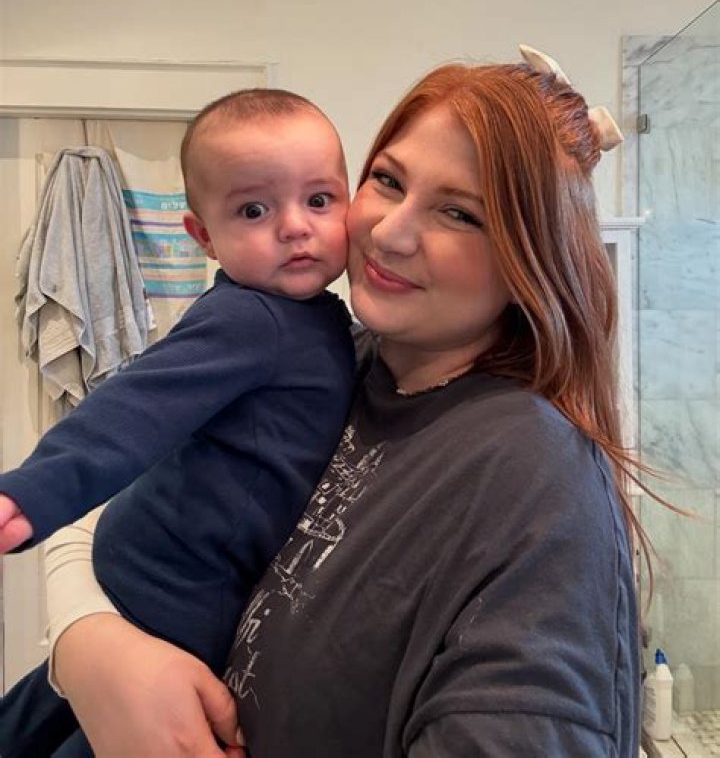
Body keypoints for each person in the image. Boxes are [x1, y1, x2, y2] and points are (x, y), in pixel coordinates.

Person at [43, 46, 642, 757]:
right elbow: (105, 512)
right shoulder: (329, 358)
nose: (389, 232)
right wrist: (95, 653)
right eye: (387, 180)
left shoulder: (535, 476)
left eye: (460, 213)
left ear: (531, 260)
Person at [0, 88, 356, 757]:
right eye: (254, 209)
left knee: (34, 718)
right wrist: (36, 490)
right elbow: (139, 402)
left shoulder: (320, 320)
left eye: (319, 199)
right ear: (204, 237)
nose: (294, 226)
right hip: (180, 590)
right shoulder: (252, 318)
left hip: (150, 564)